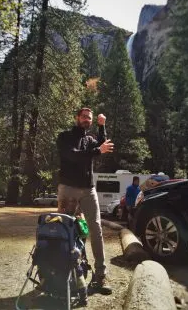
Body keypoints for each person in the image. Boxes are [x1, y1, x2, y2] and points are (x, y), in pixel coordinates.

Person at [56, 107, 114, 295]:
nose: (86, 120)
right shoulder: (65, 137)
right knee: (64, 230)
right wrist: (98, 150)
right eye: (84, 117)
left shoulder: (90, 140)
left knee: (95, 230)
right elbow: (72, 155)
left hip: (89, 190)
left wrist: (102, 125)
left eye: (89, 118)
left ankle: (100, 276)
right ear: (77, 118)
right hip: (68, 189)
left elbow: (103, 143)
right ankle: (60, 275)